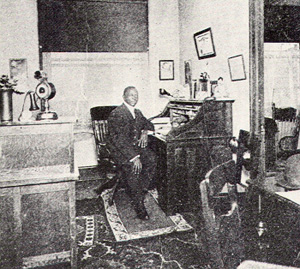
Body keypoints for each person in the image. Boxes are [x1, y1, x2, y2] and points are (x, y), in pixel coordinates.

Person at [106, 86, 157, 220]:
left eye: (136, 95)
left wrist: (145, 132)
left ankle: (140, 191)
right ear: (124, 97)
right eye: (131, 95)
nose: (134, 98)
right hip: (121, 151)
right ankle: (139, 205)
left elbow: (149, 125)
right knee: (134, 168)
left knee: (152, 159)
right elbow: (119, 140)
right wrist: (134, 157)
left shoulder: (138, 112)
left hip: (133, 148)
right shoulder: (117, 114)